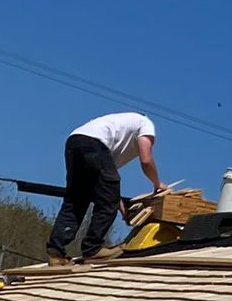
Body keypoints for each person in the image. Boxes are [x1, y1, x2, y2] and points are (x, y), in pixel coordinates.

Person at [45, 111, 162, 261]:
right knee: (103, 201)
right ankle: (92, 249)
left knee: (76, 201)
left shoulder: (117, 130)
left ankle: (55, 252)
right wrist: (158, 184)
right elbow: (146, 160)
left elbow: (106, 188)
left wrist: (121, 208)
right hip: (94, 144)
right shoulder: (145, 123)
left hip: (74, 142)